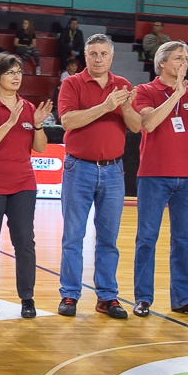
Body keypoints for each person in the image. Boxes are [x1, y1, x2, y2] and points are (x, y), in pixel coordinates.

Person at [58, 34, 141, 319]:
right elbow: (67, 121)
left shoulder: (123, 85)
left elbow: (136, 126)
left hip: (114, 170)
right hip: (78, 168)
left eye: (103, 54)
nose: (98, 59)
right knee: (73, 236)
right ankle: (70, 293)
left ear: (112, 56)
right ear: (85, 56)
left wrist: (125, 106)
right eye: (93, 53)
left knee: (108, 238)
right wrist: (105, 106)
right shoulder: (72, 83)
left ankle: (107, 297)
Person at [131, 41, 188, 319]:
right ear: (162, 62)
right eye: (178, 58)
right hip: (154, 174)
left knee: (183, 240)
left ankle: (183, 298)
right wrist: (175, 95)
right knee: (147, 238)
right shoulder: (145, 90)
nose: (184, 62)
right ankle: (143, 298)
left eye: (186, 58)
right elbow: (148, 123)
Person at [0, 53, 53, 318]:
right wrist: (9, 123)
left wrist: (38, 125)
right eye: (10, 72)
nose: (16, 77)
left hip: (22, 183)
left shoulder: (28, 107)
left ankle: (27, 298)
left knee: (25, 241)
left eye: (19, 72)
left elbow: (40, 148)